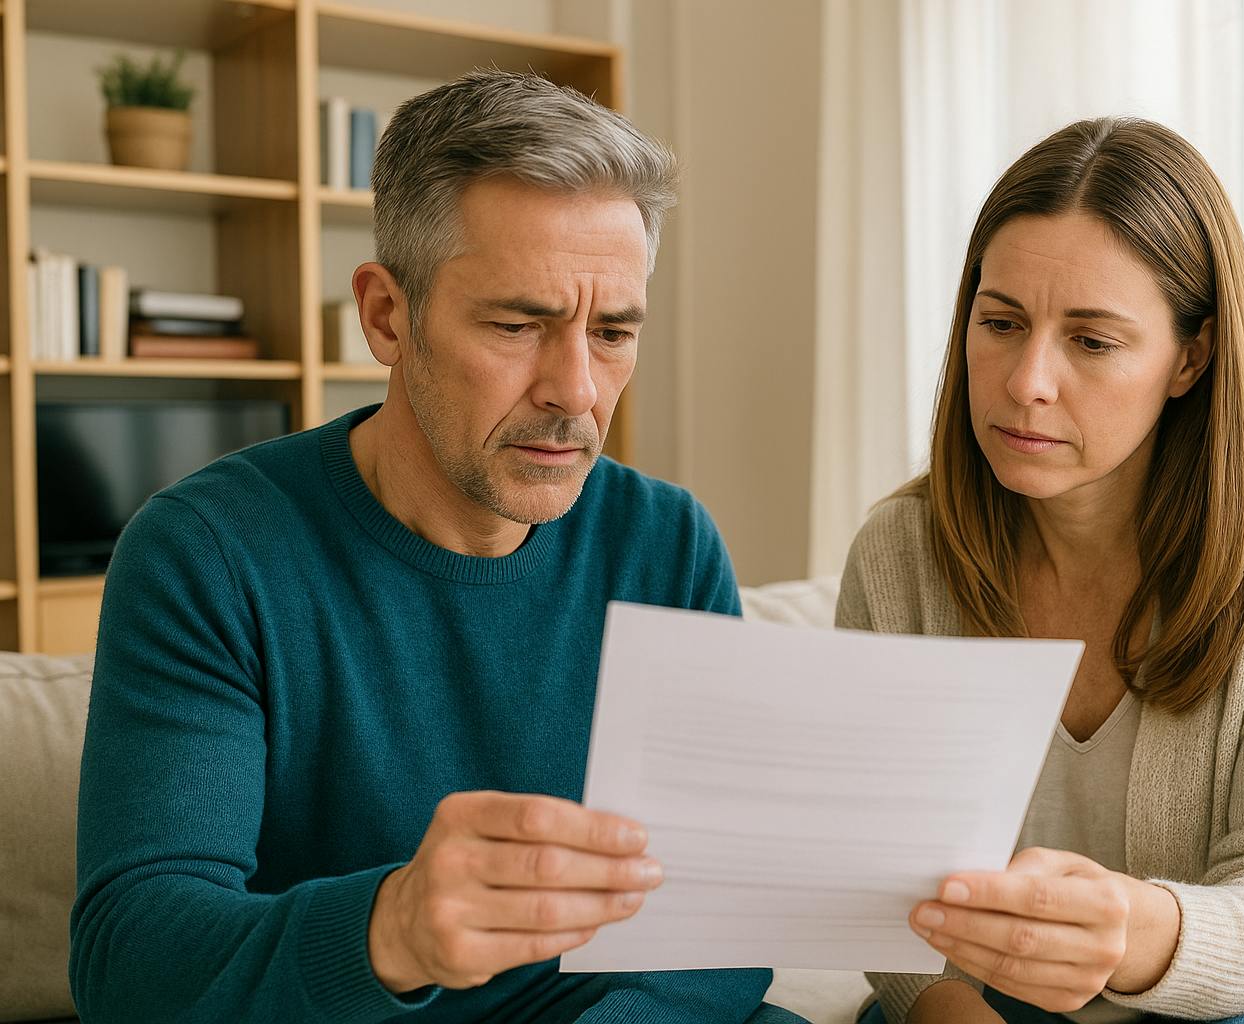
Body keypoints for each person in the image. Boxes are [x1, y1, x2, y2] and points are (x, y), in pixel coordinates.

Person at [70, 70, 804, 1024]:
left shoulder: (667, 544)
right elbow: (130, 964)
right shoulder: (207, 554)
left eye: (613, 332)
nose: (577, 390)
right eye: (517, 324)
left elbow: (725, 909)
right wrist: (391, 931)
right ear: (387, 315)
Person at [837, 118, 1244, 1024]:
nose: (1027, 381)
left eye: (1091, 341)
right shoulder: (899, 553)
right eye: (1000, 323)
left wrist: (1127, 931)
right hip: (1007, 995)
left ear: (1190, 357)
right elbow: (880, 879)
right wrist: (943, 1007)